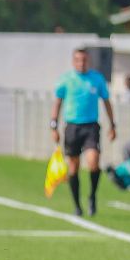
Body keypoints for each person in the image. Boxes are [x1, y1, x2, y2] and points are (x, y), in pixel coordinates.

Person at [50, 47, 117, 217]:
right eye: (78, 60)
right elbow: (57, 103)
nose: (82, 63)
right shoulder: (66, 80)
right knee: (73, 166)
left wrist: (112, 124)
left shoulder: (97, 79)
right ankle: (77, 205)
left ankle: (92, 196)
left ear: (89, 61)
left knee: (93, 161)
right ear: (74, 62)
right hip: (72, 127)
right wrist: (53, 126)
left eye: (84, 60)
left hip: (91, 126)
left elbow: (106, 102)